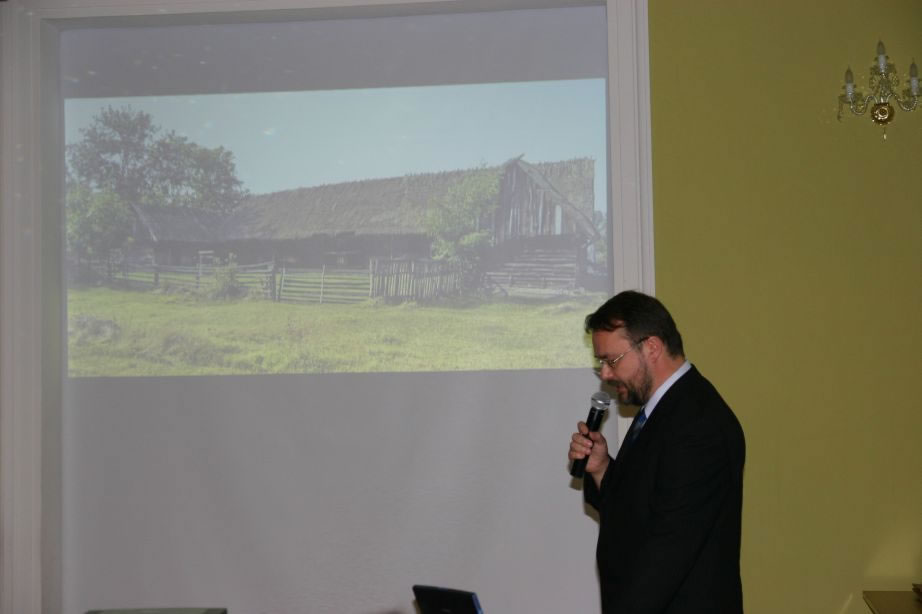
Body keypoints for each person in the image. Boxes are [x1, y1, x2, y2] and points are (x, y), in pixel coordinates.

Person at [569, 290, 745, 613]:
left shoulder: (698, 424)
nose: (605, 374)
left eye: (611, 360)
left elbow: (666, 554)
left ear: (651, 347)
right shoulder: (664, 409)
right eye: (601, 364)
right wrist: (602, 468)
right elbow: (641, 509)